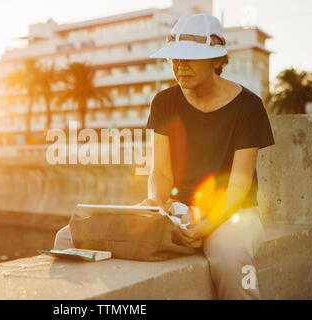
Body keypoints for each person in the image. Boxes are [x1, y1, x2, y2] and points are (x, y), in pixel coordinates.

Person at [53, 13, 275, 300]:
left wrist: (208, 223)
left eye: (189, 58)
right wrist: (156, 205)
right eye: (175, 58)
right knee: (68, 237)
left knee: (230, 258)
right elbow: (160, 173)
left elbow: (239, 184)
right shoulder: (165, 102)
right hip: (174, 211)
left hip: (233, 213)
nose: (180, 66)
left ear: (217, 61)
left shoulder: (249, 106)